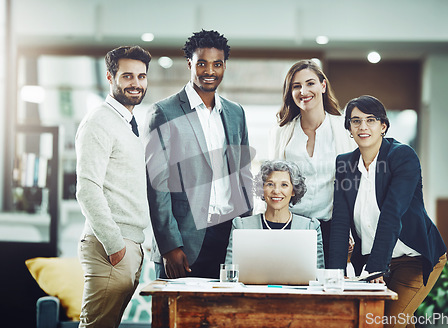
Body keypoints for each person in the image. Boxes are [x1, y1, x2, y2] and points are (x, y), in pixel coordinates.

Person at [329, 95, 447, 328]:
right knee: (390, 321)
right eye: (355, 121)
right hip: (376, 259)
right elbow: (340, 221)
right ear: (349, 129)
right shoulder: (346, 164)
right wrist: (335, 273)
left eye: (370, 120)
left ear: (383, 126)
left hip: (413, 257)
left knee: (388, 323)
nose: (363, 126)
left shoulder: (401, 156)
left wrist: (375, 269)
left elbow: (392, 215)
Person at [144, 30, 253, 279]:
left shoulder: (236, 113)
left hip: (230, 238)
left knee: (225, 316)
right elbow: (156, 185)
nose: (209, 71)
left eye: (217, 64)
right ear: (190, 64)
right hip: (184, 241)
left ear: (225, 65)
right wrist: (170, 245)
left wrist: (245, 229)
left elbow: (243, 174)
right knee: (176, 317)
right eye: (202, 63)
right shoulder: (164, 112)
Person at [75, 45, 152, 327]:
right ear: (110, 77)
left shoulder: (127, 124)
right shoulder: (100, 121)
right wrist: (114, 244)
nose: (136, 83)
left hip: (128, 247)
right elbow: (87, 188)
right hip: (111, 248)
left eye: (141, 76)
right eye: (127, 76)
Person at [269, 59, 356, 266]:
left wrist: (351, 230)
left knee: (330, 291)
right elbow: (274, 184)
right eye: (296, 86)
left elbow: (354, 184)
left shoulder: (344, 129)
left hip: (333, 228)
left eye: (310, 83)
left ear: (323, 86)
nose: (303, 91)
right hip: (291, 226)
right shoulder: (282, 132)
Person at [225, 160, 325, 268]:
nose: (276, 191)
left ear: (293, 191)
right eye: (270, 184)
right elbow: (229, 273)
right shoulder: (241, 226)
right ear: (262, 189)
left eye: (284, 185)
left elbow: (318, 277)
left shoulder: (310, 227)